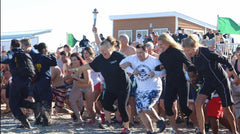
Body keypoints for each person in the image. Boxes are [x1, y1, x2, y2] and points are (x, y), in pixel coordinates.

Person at [71, 36, 132, 134]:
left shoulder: (119, 56)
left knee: (122, 106)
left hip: (123, 86)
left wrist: (129, 67)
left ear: (111, 49)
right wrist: (76, 70)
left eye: (105, 50)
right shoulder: (100, 59)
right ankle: (118, 111)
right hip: (111, 87)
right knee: (106, 105)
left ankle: (127, 128)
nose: (103, 53)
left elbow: (130, 64)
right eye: (101, 50)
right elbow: (88, 66)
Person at [182, 35, 239, 134]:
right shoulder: (194, 58)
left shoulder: (206, 52)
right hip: (209, 82)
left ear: (195, 46)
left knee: (226, 110)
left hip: (221, 81)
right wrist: (198, 84)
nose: (188, 53)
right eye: (186, 51)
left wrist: (235, 76)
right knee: (198, 103)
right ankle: (202, 130)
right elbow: (200, 74)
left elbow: (225, 60)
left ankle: (235, 132)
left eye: (189, 50)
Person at [120, 43, 166, 134]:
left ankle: (158, 121)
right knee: (140, 110)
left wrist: (155, 73)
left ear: (146, 51)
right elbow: (121, 65)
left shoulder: (154, 61)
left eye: (141, 53)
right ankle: (150, 130)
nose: (139, 55)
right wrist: (132, 71)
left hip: (154, 87)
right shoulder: (133, 58)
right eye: (137, 52)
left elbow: (164, 71)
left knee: (145, 107)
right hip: (140, 89)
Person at [158, 33, 197, 134]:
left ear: (167, 42)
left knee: (184, 107)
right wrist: (160, 67)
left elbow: (188, 64)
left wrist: (193, 74)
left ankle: (198, 126)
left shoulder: (177, 52)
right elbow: (162, 66)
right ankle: (175, 130)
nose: (159, 46)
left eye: (161, 44)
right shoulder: (162, 56)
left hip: (181, 81)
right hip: (170, 82)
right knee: (167, 106)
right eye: (159, 44)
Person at [0, 39, 36, 129]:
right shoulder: (24, 53)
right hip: (27, 81)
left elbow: (7, 58)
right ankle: (36, 106)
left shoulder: (13, 52)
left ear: (11, 46)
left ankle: (25, 122)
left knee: (13, 104)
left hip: (17, 82)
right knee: (19, 102)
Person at [33, 43, 57, 126]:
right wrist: (51, 55)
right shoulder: (44, 57)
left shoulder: (34, 57)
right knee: (46, 100)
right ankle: (46, 120)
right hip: (44, 82)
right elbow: (54, 63)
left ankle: (38, 119)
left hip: (35, 82)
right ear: (44, 49)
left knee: (37, 101)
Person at [82, 47, 105, 124]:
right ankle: (100, 115)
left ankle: (95, 117)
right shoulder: (84, 63)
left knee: (91, 102)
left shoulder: (95, 62)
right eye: (84, 53)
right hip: (88, 85)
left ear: (91, 54)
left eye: (87, 53)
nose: (85, 55)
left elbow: (101, 73)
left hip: (96, 84)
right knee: (90, 103)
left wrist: (102, 83)